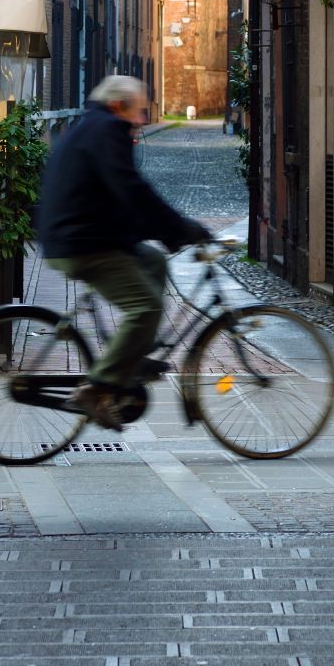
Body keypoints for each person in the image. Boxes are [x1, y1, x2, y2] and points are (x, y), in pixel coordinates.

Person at [37, 75, 213, 429]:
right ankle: (97, 388)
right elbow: (132, 189)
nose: (144, 120)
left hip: (83, 234)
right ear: (119, 106)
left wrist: (164, 233)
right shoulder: (108, 131)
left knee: (154, 260)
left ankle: (134, 356)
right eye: (140, 111)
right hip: (83, 243)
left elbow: (119, 198)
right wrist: (179, 227)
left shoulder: (94, 127)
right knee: (145, 306)